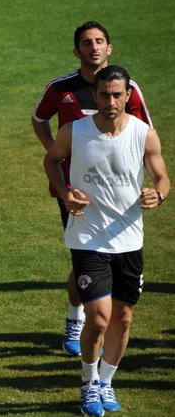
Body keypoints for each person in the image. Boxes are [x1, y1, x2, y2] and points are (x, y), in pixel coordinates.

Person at [44, 66, 169, 416]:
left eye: (117, 94)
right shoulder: (74, 131)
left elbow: (162, 178)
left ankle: (105, 382)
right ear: (94, 95)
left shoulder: (144, 134)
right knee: (99, 318)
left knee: (123, 319)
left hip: (129, 239)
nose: (110, 101)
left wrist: (158, 195)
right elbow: (51, 161)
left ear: (128, 95)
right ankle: (88, 383)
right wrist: (65, 193)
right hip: (88, 236)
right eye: (104, 94)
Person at [32, 21, 153, 357]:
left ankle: (100, 323)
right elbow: (39, 119)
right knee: (85, 255)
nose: (94, 47)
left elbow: (146, 134)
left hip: (118, 197)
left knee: (100, 259)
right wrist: (55, 151)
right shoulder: (61, 88)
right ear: (77, 51)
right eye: (87, 42)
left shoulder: (128, 89)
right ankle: (77, 319)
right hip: (76, 194)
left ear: (109, 48)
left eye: (100, 41)